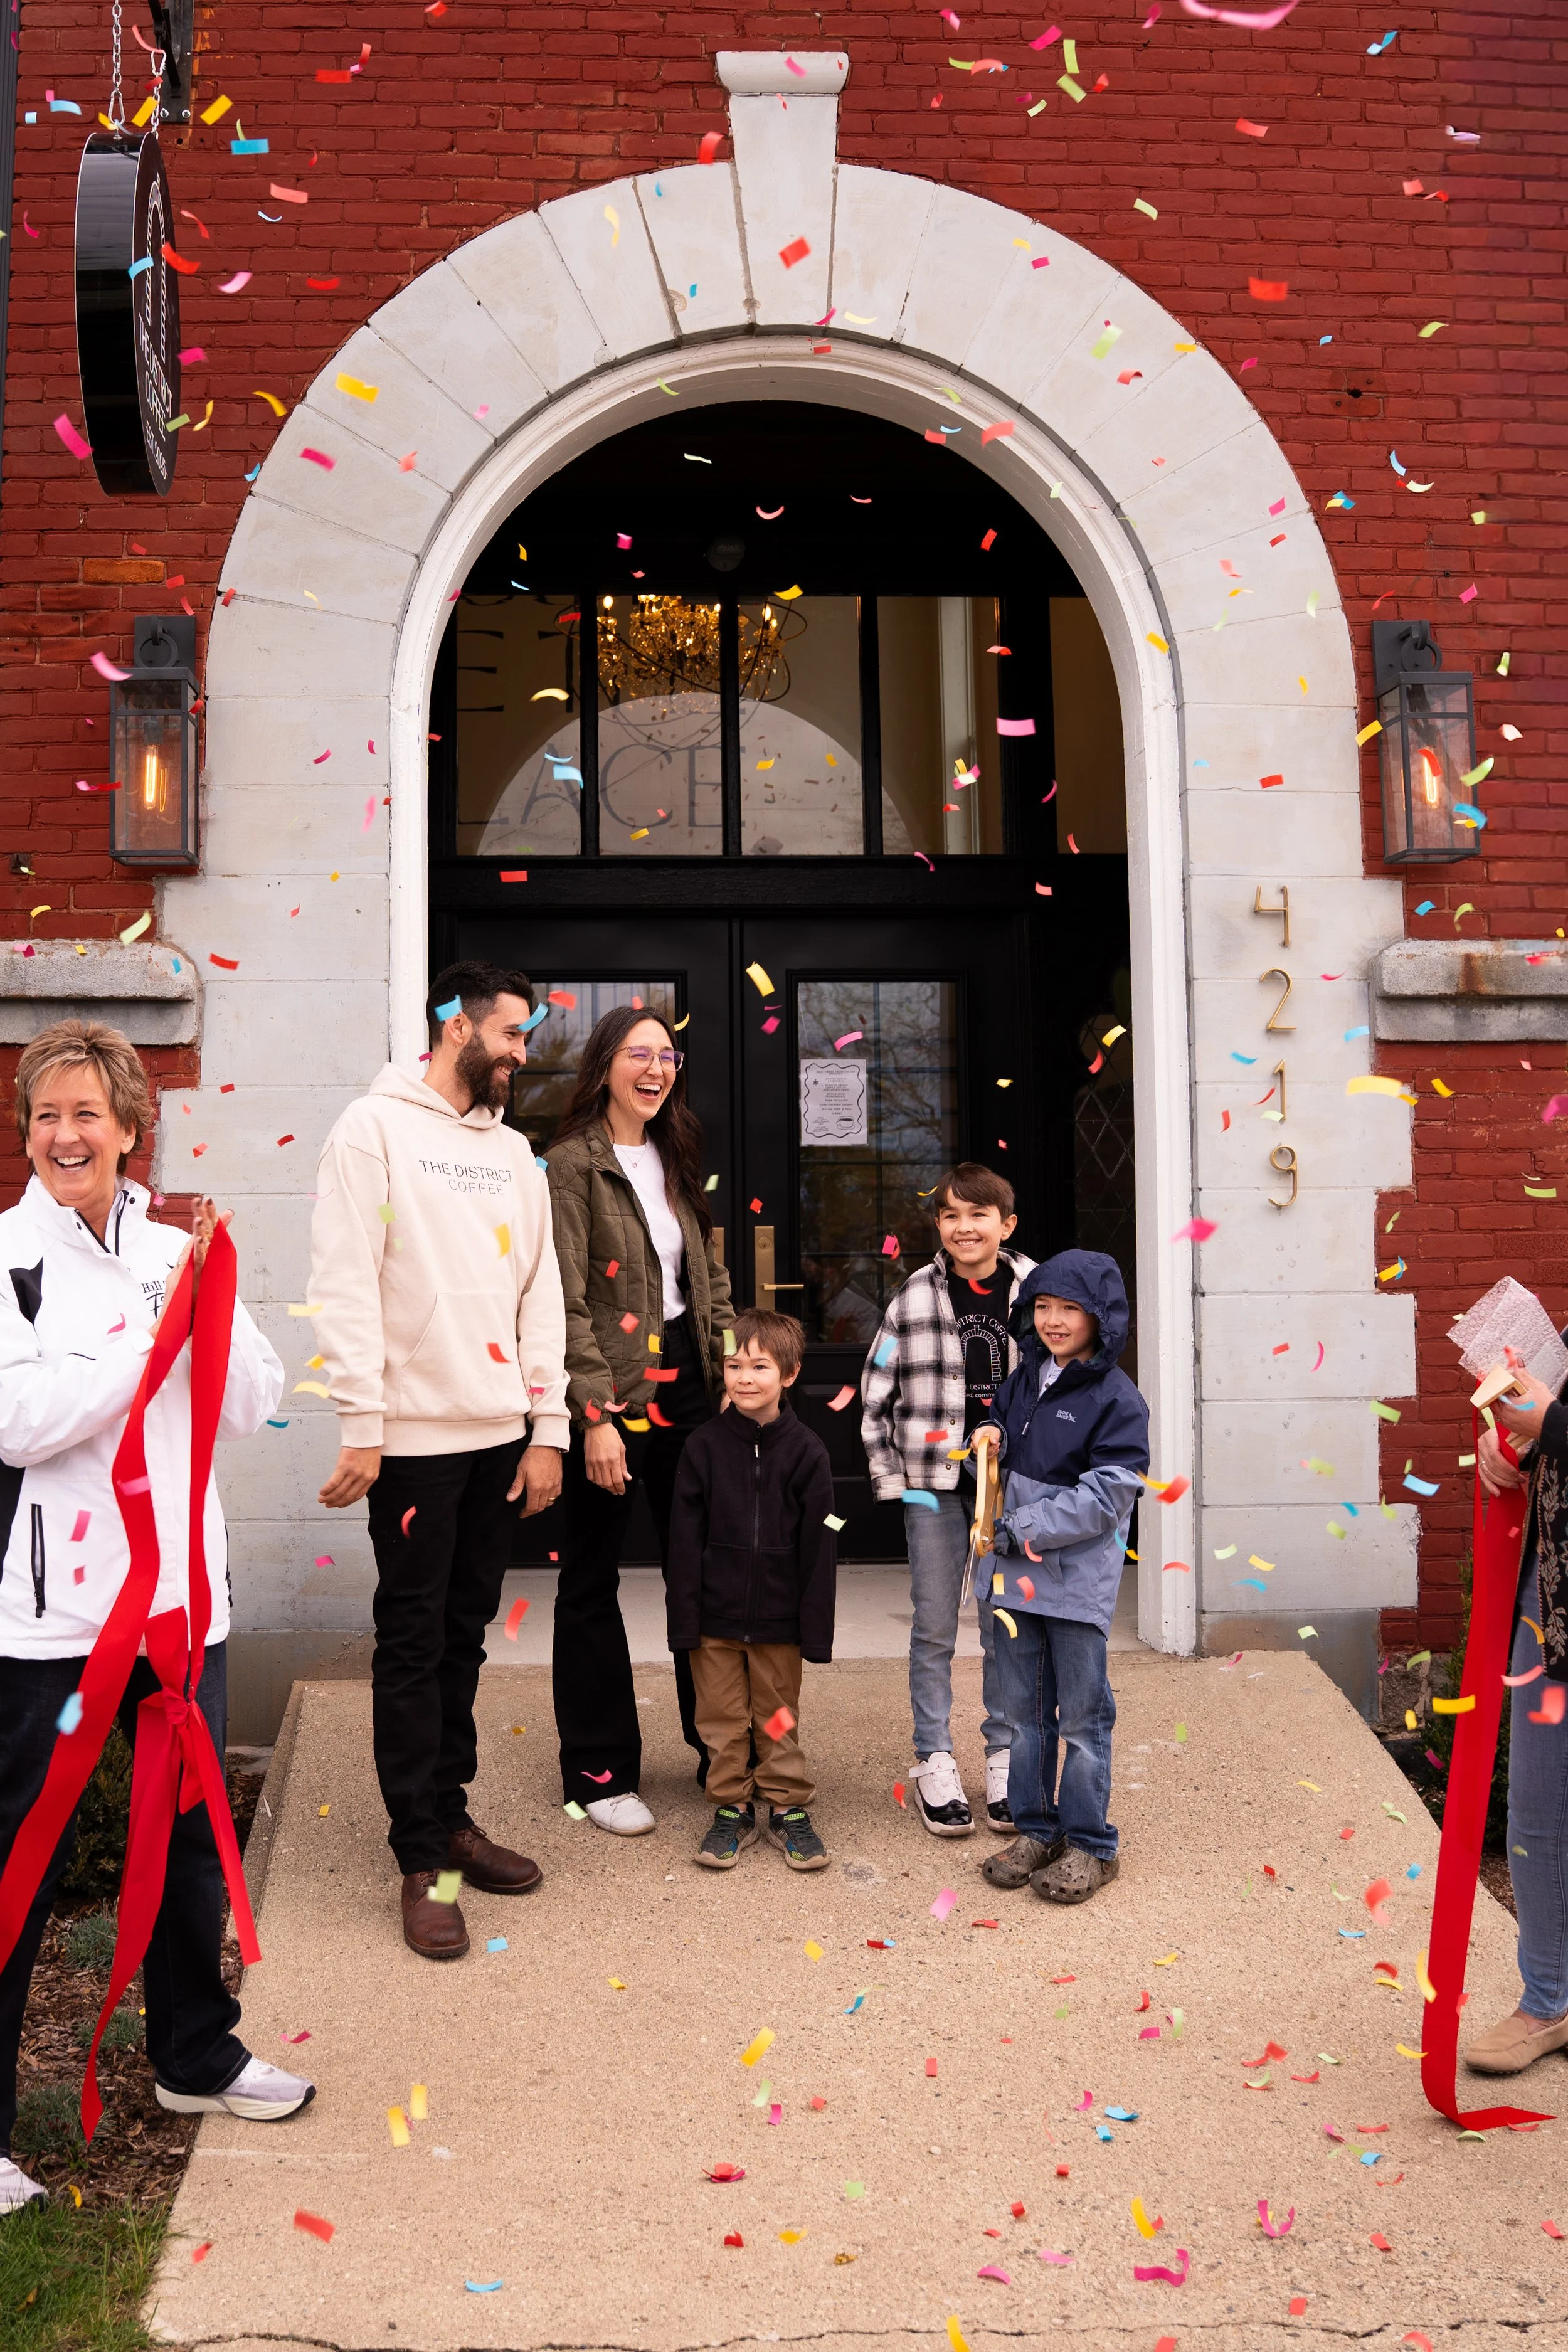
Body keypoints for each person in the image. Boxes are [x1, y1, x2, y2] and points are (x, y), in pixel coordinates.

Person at [0, 1021, 299, 2218]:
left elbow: (258, 1402)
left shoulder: (179, 1252)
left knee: (186, 1856)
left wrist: (208, 1301)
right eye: (44, 1116)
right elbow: (20, 1422)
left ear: (132, 1129)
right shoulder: (6, 1257)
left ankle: (196, 2058)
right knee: (15, 1872)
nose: (65, 1136)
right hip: (52, 1624)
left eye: (87, 1115)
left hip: (182, 1611)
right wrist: (148, 1341)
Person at [310, 961, 569, 1961]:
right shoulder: (370, 1131)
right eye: (508, 1035)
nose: (519, 1053)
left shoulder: (513, 1152)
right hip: (413, 1444)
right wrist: (362, 1419)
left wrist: (546, 1424)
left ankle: (450, 1820)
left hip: (498, 1436)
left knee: (462, 1638)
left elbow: (538, 1290)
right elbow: (344, 1276)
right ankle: (421, 1857)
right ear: (456, 1027)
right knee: (413, 1646)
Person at [546, 1005, 733, 1831]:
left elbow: (707, 1274)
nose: (656, 1068)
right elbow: (565, 1297)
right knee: (590, 1581)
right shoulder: (569, 1166)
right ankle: (600, 1771)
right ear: (606, 1064)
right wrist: (593, 1416)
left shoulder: (673, 1153)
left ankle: (720, 1750)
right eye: (639, 1053)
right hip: (613, 1392)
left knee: (701, 1573)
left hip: (690, 1387)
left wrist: (729, 1371)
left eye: (668, 1054)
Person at [860, 1165, 1035, 1837]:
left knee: (1004, 1623)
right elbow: (876, 1391)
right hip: (931, 1484)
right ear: (938, 1226)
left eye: (978, 1215)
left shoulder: (1036, 1290)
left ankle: (1003, 1756)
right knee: (935, 1622)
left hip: (1013, 1486)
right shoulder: (915, 1293)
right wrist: (890, 1478)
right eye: (950, 1216)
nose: (964, 1228)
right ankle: (933, 1755)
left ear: (1006, 1225)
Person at [977, 1250, 1148, 1905]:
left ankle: (1089, 1845)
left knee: (1080, 1716)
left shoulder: (1117, 1400)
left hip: (1073, 1582)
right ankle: (1035, 1829)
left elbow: (1107, 1497)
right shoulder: (1026, 1378)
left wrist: (1020, 1527)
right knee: (1022, 1714)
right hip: (1014, 1579)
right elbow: (1002, 1428)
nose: (1052, 1321)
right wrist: (990, 1430)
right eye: (1042, 1306)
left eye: (1068, 1309)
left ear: (1099, 1319)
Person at [667, 1310, 836, 1872]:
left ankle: (787, 1806)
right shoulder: (704, 1447)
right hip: (714, 1620)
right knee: (718, 1717)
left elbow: (821, 1544)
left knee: (777, 1715)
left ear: (788, 1375)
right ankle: (731, 1806)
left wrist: (814, 1627)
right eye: (734, 1364)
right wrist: (683, 1620)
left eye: (759, 1366)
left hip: (780, 1620)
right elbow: (683, 1542)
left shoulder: (808, 1451)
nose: (744, 1377)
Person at [1467, 1368, 1568, 2074]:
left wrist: (1549, 1426)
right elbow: (1528, 1423)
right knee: (1535, 1808)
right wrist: (1506, 1449)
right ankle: (1547, 2001)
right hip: (1551, 1602)